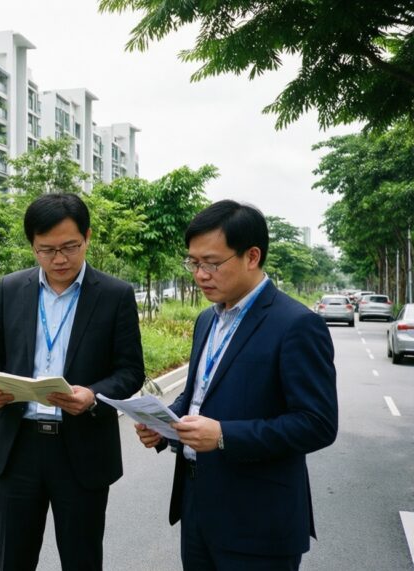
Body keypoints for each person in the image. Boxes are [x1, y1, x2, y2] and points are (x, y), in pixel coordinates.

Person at [135, 200, 338, 570]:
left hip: (259, 522)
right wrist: (164, 427)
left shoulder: (296, 324)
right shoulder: (206, 321)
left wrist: (225, 435)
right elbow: (198, 395)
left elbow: (318, 423)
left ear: (252, 256)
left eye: (212, 263)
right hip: (198, 511)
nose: (200, 274)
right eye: (193, 263)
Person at [0, 193, 145, 570]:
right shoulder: (10, 288)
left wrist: (93, 395)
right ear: (33, 246)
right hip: (19, 448)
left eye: (70, 247)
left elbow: (131, 370)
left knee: (81, 560)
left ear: (87, 237)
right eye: (46, 250)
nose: (59, 259)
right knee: (14, 561)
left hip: (81, 450)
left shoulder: (115, 295)